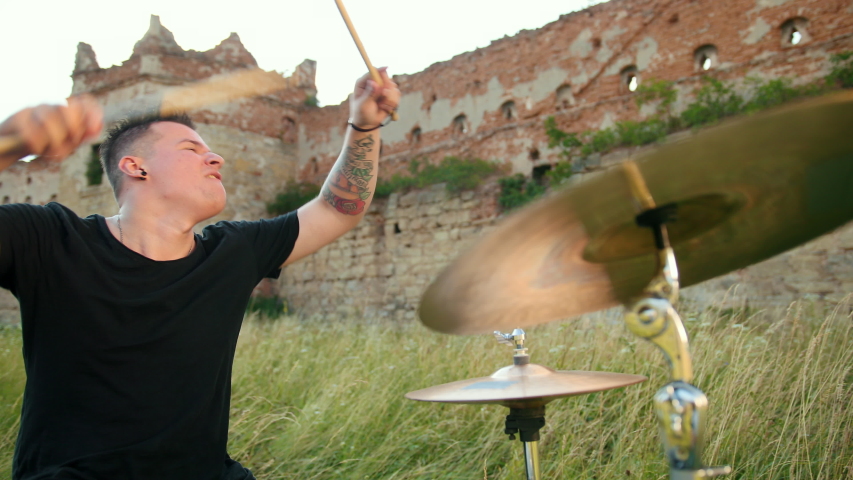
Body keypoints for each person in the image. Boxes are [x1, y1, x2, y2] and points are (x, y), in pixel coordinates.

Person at [0, 69, 400, 480]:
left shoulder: (231, 253)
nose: (216, 158)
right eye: (191, 149)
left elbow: (339, 207)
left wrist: (365, 124)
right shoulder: (49, 239)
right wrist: (9, 142)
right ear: (136, 167)